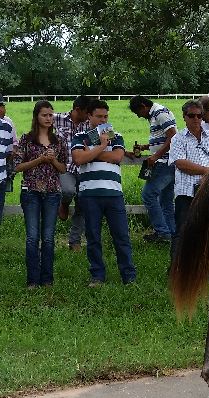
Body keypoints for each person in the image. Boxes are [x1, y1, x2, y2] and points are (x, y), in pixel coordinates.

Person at [71, 99, 137, 286]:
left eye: (105, 116)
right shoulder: (80, 136)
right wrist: (100, 147)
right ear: (89, 116)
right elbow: (78, 159)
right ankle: (97, 275)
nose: (102, 120)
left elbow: (117, 157)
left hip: (114, 194)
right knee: (93, 237)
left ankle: (128, 275)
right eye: (98, 116)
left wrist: (90, 153)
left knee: (122, 236)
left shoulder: (116, 136)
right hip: (89, 194)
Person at [13, 101, 67, 288]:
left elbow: (63, 168)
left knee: (49, 237)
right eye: (45, 115)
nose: (48, 118)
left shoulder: (59, 140)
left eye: (51, 115)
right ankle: (32, 280)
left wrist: (52, 161)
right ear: (37, 116)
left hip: (52, 193)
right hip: (31, 192)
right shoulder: (27, 139)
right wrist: (40, 159)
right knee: (32, 237)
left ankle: (47, 279)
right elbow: (18, 166)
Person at [169, 100, 209, 276]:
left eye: (199, 116)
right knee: (183, 231)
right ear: (184, 117)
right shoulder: (178, 138)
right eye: (191, 115)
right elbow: (180, 163)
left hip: (207, 191)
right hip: (185, 191)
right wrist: (208, 171)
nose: (196, 119)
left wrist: (208, 176)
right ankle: (177, 269)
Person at [128, 95, 177, 243]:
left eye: (138, 112)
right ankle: (172, 233)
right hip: (170, 161)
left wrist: (155, 156)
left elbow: (173, 137)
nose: (138, 116)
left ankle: (162, 232)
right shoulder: (157, 113)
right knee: (166, 201)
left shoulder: (159, 113)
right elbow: (163, 138)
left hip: (164, 162)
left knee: (148, 195)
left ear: (143, 106)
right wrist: (146, 147)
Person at [54, 95, 91, 252]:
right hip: (66, 167)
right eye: (87, 112)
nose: (89, 116)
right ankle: (64, 204)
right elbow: (39, 126)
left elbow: (109, 140)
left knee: (82, 203)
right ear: (77, 110)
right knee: (68, 190)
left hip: (85, 168)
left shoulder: (91, 123)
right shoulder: (57, 119)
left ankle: (74, 241)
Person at [0, 95, 15, 223]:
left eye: (2, 105)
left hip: (1, 179)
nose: (2, 109)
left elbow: (10, 152)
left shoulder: (7, 126)